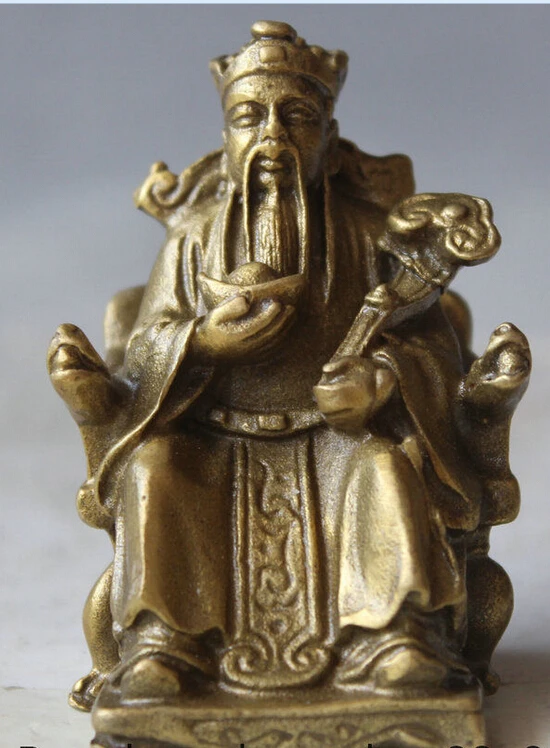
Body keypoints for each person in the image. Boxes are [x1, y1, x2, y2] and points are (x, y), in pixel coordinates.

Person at [48, 21, 529, 712]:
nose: (272, 135)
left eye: (297, 117)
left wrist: (383, 380)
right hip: (215, 446)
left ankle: (393, 639)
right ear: (227, 139)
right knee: (155, 470)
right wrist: (200, 344)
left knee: (387, 468)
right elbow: (144, 348)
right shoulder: (190, 243)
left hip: (339, 443)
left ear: (328, 142)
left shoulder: (369, 238)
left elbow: (432, 348)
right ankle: (166, 644)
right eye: (250, 117)